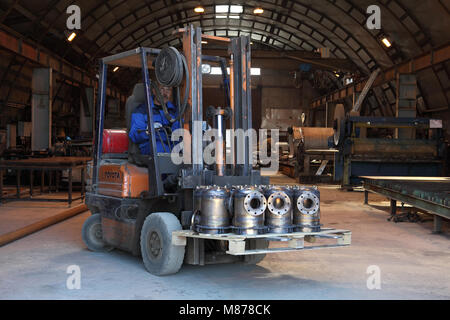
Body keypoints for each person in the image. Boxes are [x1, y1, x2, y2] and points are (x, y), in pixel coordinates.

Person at [129, 83, 181, 154]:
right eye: (162, 89)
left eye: (168, 89)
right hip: (151, 146)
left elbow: (179, 131)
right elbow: (134, 134)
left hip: (170, 144)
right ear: (154, 91)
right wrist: (148, 131)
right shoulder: (142, 110)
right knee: (161, 149)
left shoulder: (174, 111)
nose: (165, 93)